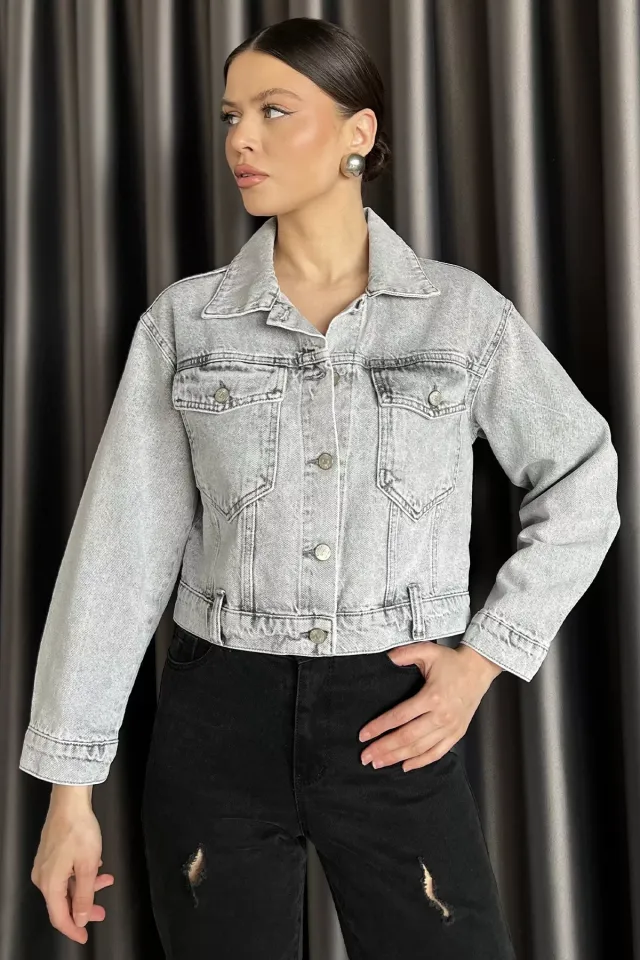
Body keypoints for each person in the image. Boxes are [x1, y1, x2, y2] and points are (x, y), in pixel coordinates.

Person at [20, 16, 619, 959]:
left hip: (393, 717)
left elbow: (581, 478)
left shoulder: (460, 317)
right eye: (231, 116)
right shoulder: (187, 324)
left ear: (358, 133)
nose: (241, 140)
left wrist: (485, 659)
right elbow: (118, 556)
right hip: (217, 722)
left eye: (274, 110)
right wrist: (69, 795)